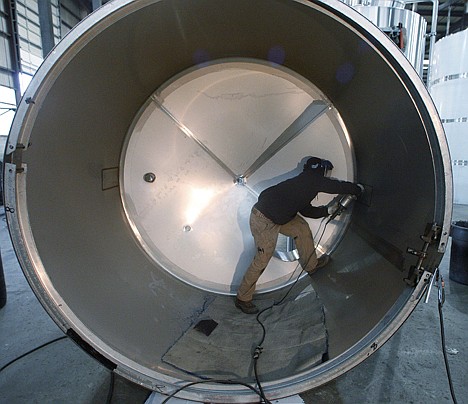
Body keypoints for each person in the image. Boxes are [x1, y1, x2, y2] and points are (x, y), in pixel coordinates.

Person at [235, 156, 363, 314]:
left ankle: (312, 265)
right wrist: (358, 189)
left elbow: (306, 210)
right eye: (326, 171)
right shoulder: (313, 180)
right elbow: (337, 186)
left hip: (280, 216)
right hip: (263, 220)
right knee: (262, 259)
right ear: (320, 170)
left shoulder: (303, 182)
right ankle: (243, 298)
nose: (327, 175)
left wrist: (326, 211)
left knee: (301, 228)